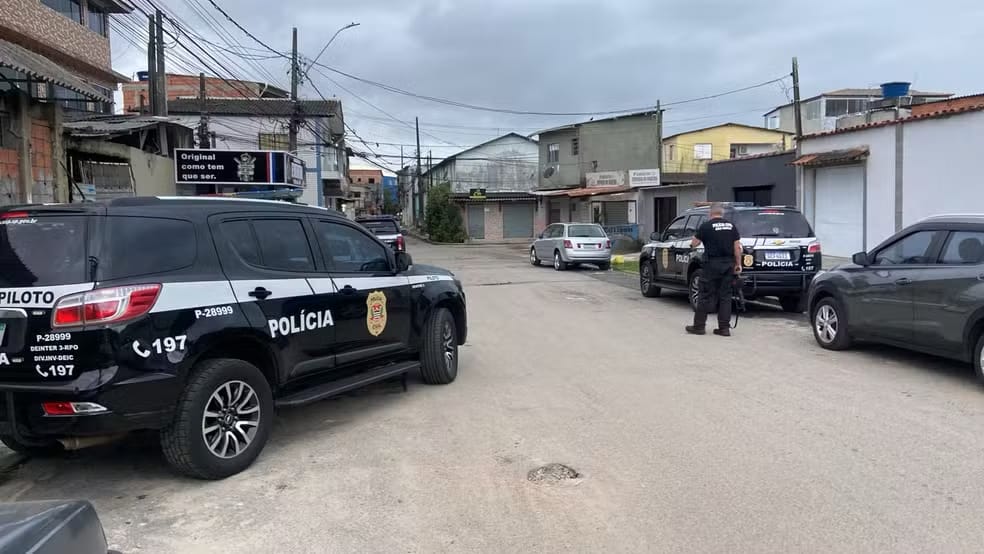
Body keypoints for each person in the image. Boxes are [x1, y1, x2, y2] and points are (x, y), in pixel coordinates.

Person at [686, 203, 742, 337]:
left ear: (710, 213)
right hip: (728, 264)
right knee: (725, 297)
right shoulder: (731, 226)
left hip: (711, 265)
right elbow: (737, 248)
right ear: (722, 213)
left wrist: (692, 244)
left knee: (705, 295)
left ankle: (699, 326)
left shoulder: (706, 226)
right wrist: (738, 264)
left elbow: (694, 243)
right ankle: (724, 328)